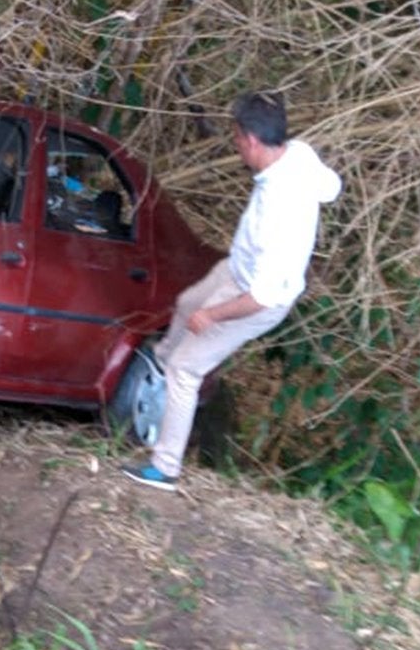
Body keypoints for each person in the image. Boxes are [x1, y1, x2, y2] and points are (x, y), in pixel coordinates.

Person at [121, 91, 342, 492]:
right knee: (187, 303)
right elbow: (332, 187)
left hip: (256, 299)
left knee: (187, 369)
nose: (236, 144)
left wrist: (213, 316)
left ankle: (164, 467)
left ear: (253, 140)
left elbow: (261, 299)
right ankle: (161, 367)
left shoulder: (280, 212)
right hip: (238, 270)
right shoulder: (298, 154)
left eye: (237, 137)